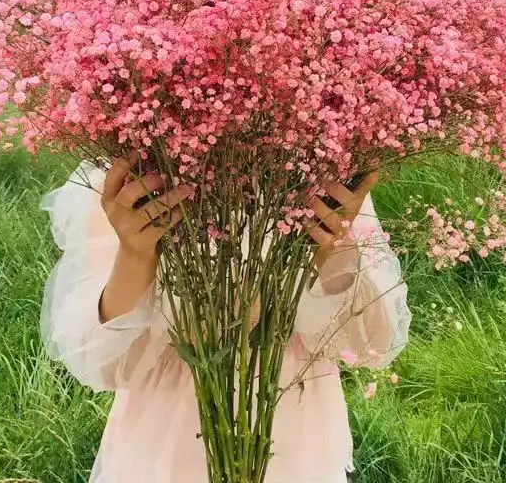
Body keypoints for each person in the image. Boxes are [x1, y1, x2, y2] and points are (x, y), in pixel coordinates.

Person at [41, 156, 411, 483]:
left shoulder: (325, 166)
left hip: (297, 448)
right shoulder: (135, 177)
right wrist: (136, 256)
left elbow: (369, 342)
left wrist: (335, 247)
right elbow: (108, 365)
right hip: (165, 454)